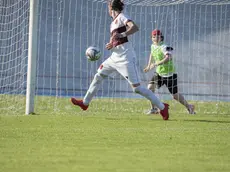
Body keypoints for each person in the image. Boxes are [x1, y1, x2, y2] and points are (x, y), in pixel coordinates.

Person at [70, 0, 169, 120]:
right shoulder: (112, 23)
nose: (107, 8)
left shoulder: (122, 17)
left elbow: (135, 28)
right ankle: (85, 103)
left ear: (112, 7)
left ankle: (162, 107)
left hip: (126, 58)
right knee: (99, 75)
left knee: (137, 88)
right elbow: (117, 39)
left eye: (108, 5)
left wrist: (122, 35)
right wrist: (111, 44)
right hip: (114, 57)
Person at [143, 29, 195, 115]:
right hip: (159, 73)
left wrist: (155, 64)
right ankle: (154, 109)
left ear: (161, 37)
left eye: (158, 36)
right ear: (151, 38)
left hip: (169, 75)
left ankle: (189, 107)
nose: (156, 38)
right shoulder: (153, 46)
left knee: (175, 95)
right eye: (154, 36)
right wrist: (148, 66)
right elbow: (152, 54)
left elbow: (168, 58)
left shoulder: (164, 47)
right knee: (149, 89)